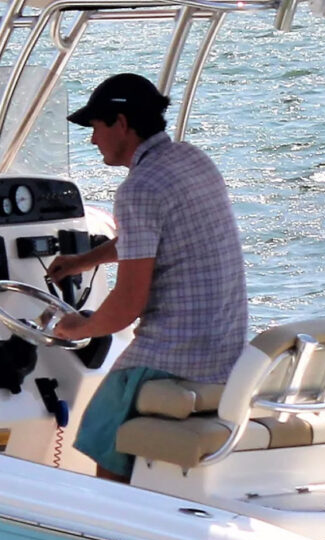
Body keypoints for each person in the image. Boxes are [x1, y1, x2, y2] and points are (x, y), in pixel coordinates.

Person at [46, 73, 248, 482]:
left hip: (176, 356)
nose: (92, 140)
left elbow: (126, 306)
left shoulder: (138, 189)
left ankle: (117, 511)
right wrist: (82, 261)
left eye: (96, 128)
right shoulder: (192, 160)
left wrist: (76, 328)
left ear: (121, 123)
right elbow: (149, 239)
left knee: (102, 428)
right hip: (226, 349)